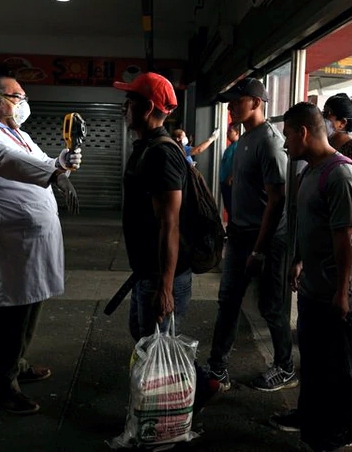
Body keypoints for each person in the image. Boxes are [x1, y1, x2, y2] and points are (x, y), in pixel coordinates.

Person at [0, 74, 82, 415]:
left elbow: (39, 162)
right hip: (5, 239)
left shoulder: (19, 133)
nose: (23, 104)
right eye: (16, 97)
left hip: (28, 238)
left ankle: (16, 363)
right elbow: (9, 161)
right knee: (8, 309)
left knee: (29, 301)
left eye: (24, 97)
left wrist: (62, 167)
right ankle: (1, 387)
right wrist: (55, 167)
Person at [269, 102, 352, 448]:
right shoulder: (310, 172)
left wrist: (342, 292)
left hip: (340, 289)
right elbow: (311, 224)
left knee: (338, 365)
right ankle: (309, 415)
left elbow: (344, 237)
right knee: (314, 359)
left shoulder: (341, 175)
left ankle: (349, 424)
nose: (284, 143)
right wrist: (299, 260)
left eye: (287, 135)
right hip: (315, 285)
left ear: (303, 132)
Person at [206, 78, 296, 393]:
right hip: (240, 235)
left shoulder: (270, 142)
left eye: (236, 101)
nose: (231, 107)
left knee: (271, 306)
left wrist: (259, 250)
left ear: (256, 103)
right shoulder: (245, 138)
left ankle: (285, 367)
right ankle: (217, 366)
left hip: (266, 239)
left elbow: (277, 199)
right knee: (228, 301)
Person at [114, 72, 192, 340]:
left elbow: (170, 224)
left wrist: (165, 289)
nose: (125, 107)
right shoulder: (146, 146)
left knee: (158, 351)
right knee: (143, 340)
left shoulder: (162, 153)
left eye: (130, 101)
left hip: (161, 278)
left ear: (147, 107)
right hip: (146, 273)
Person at [219, 123, 239, 222]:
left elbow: (238, 163)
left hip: (231, 183)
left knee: (232, 208)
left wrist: (232, 176)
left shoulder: (238, 146)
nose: (227, 134)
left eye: (230, 131)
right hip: (224, 182)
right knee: (228, 207)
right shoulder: (230, 147)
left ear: (237, 133)